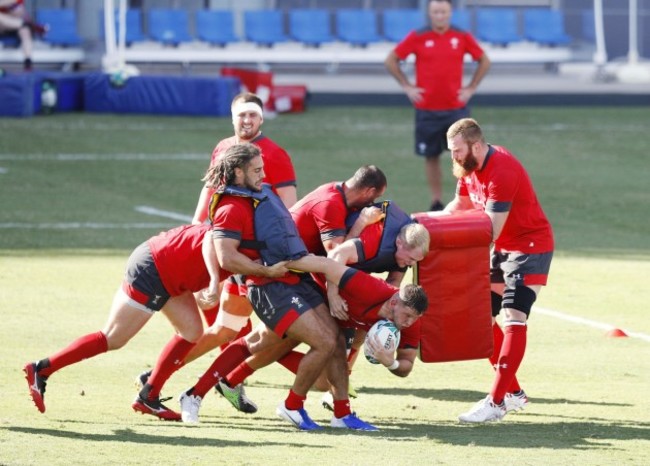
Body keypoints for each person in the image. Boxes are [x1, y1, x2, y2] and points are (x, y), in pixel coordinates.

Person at [179, 143, 377, 431]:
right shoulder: (231, 207)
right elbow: (226, 256)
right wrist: (263, 270)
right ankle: (292, 406)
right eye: (257, 170)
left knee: (320, 339)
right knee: (321, 341)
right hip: (268, 285)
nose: (263, 174)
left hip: (293, 276)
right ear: (238, 172)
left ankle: (342, 414)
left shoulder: (258, 193)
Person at [22, 222, 288, 420]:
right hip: (155, 269)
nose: (261, 175)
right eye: (256, 169)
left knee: (192, 332)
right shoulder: (245, 218)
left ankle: (148, 396)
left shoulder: (253, 222)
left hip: (170, 273)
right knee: (113, 338)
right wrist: (215, 282)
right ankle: (42, 369)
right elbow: (210, 239)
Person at [135, 91, 299, 395]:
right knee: (241, 328)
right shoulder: (223, 147)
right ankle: (218, 378)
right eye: (242, 115)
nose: (247, 120)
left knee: (239, 328)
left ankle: (195, 377)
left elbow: (290, 209)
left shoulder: (275, 154)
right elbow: (210, 190)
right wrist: (197, 227)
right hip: (227, 250)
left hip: (256, 253)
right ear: (232, 117)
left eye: (252, 115)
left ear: (261, 118)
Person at [179, 260, 429, 425]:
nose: (408, 323)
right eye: (407, 316)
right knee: (262, 340)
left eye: (413, 319)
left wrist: (391, 363)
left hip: (328, 316)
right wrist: (284, 262)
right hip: (301, 289)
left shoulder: (409, 319)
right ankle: (194, 394)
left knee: (324, 356)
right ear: (395, 302)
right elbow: (329, 262)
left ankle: (340, 412)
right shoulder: (371, 288)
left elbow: (406, 365)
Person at [443, 118, 553, 423]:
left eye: (456, 150)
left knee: (514, 316)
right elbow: (460, 205)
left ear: (476, 146)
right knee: (479, 318)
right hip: (504, 249)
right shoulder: (468, 168)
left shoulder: (502, 170)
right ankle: (514, 393)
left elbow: (488, 230)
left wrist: (443, 240)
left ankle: (496, 401)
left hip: (528, 247)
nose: (453, 157)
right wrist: (426, 223)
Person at [384, 0, 490, 211]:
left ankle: (469, 199)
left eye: (443, 11)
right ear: (430, 14)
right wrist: (408, 86)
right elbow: (391, 60)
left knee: (466, 156)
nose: (440, 15)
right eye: (436, 12)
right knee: (431, 156)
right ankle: (436, 201)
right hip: (428, 110)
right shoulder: (418, 36)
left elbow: (484, 60)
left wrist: (471, 87)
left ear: (449, 13)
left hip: (456, 110)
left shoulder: (461, 36)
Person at [0, 0, 47, 71]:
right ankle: (32, 26)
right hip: (2, 26)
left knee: (25, 31)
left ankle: (28, 63)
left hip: (15, 23)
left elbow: (19, 11)